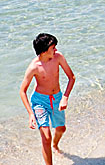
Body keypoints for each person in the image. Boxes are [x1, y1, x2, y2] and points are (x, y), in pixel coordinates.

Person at [20, 33, 76, 165]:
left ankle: (55, 146)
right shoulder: (34, 67)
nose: (55, 50)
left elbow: (71, 77)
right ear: (44, 51)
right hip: (40, 102)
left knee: (61, 129)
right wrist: (30, 113)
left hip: (56, 99)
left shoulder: (58, 57)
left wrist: (65, 98)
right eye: (53, 47)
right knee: (46, 138)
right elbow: (22, 91)